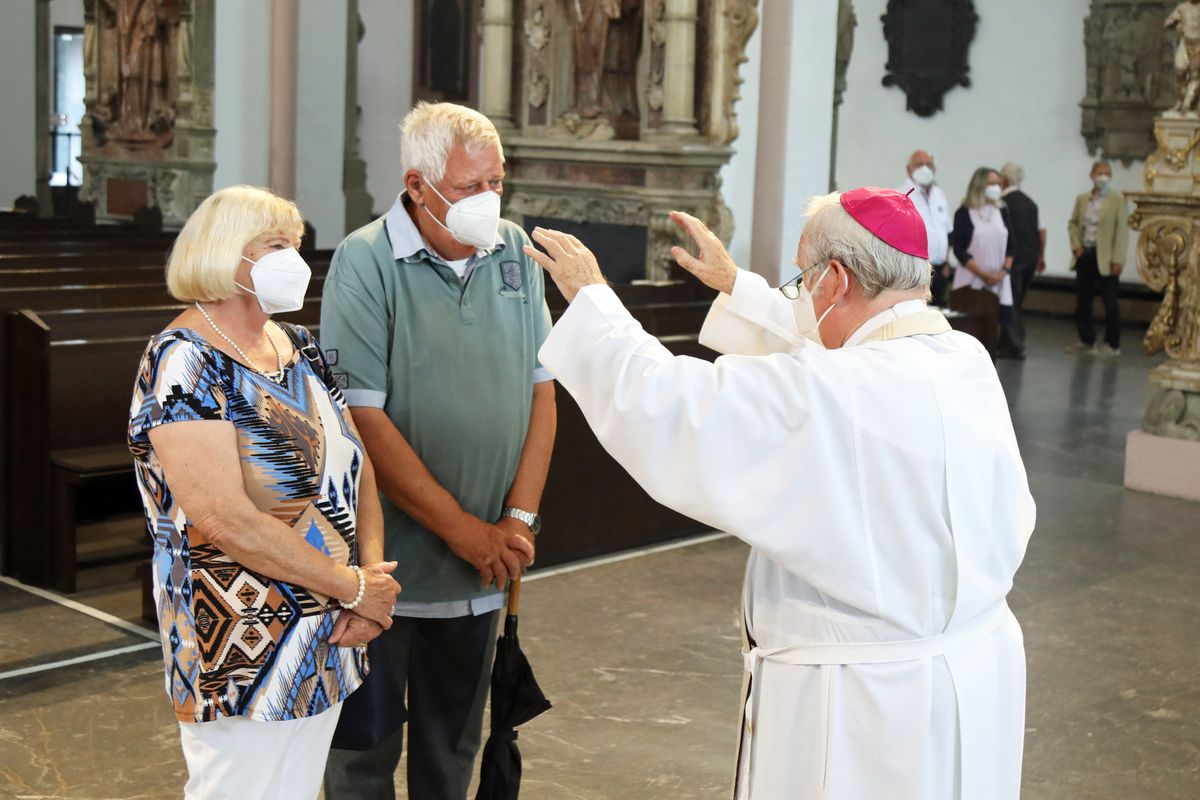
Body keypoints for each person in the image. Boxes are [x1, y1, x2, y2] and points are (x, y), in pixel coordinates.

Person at [523, 187, 1035, 799]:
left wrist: (593, 303)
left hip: (860, 707)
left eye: (803, 276)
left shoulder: (836, 392)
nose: (800, 291)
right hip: (971, 676)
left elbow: (672, 405)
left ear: (837, 279)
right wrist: (738, 286)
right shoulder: (963, 357)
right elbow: (833, 357)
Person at [127, 185, 402, 799]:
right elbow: (224, 519)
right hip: (237, 637)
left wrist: (369, 584)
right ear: (226, 254)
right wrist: (354, 587)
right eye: (277, 245)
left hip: (329, 628)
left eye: (298, 246)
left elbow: (357, 467)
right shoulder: (184, 360)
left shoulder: (297, 345)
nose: (296, 260)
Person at [320, 101, 553, 800]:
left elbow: (542, 394)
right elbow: (364, 418)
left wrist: (517, 521)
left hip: (485, 566)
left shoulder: (514, 250)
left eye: (497, 183)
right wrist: (467, 532)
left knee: (454, 747)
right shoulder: (365, 261)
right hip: (387, 567)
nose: (487, 201)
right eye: (467, 187)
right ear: (417, 187)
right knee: (363, 751)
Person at [951, 166, 1021, 358]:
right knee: (969, 329)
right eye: (991, 184)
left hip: (998, 279)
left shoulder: (1002, 210)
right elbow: (959, 249)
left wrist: (1004, 271)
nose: (996, 187)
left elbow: (1011, 246)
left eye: (998, 184)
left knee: (992, 330)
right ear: (980, 185)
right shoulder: (964, 213)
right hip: (972, 280)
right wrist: (982, 273)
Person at [1067, 161, 1129, 357]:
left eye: (1107, 173)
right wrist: (1077, 246)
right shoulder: (1083, 199)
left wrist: (1118, 259)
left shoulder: (1117, 200)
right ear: (1091, 175)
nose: (1103, 176)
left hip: (1107, 259)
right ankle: (1087, 340)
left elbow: (1122, 232)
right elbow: (1074, 224)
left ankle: (1112, 344)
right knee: (1083, 301)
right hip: (1086, 255)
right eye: (1099, 173)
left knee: (1110, 302)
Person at [999, 162, 1046, 354]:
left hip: (1013, 260)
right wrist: (1041, 256)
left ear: (1004, 180)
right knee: (1016, 301)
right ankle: (1006, 342)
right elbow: (1042, 232)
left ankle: (1015, 344)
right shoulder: (1031, 203)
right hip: (1030, 258)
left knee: (1010, 302)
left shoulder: (1002, 204)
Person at [898, 149, 952, 306]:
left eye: (929, 164)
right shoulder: (901, 195)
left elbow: (948, 231)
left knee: (938, 317)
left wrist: (946, 263)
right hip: (915, 272)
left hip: (940, 271)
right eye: (919, 164)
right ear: (909, 169)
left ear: (934, 169)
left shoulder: (939, 194)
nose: (925, 168)